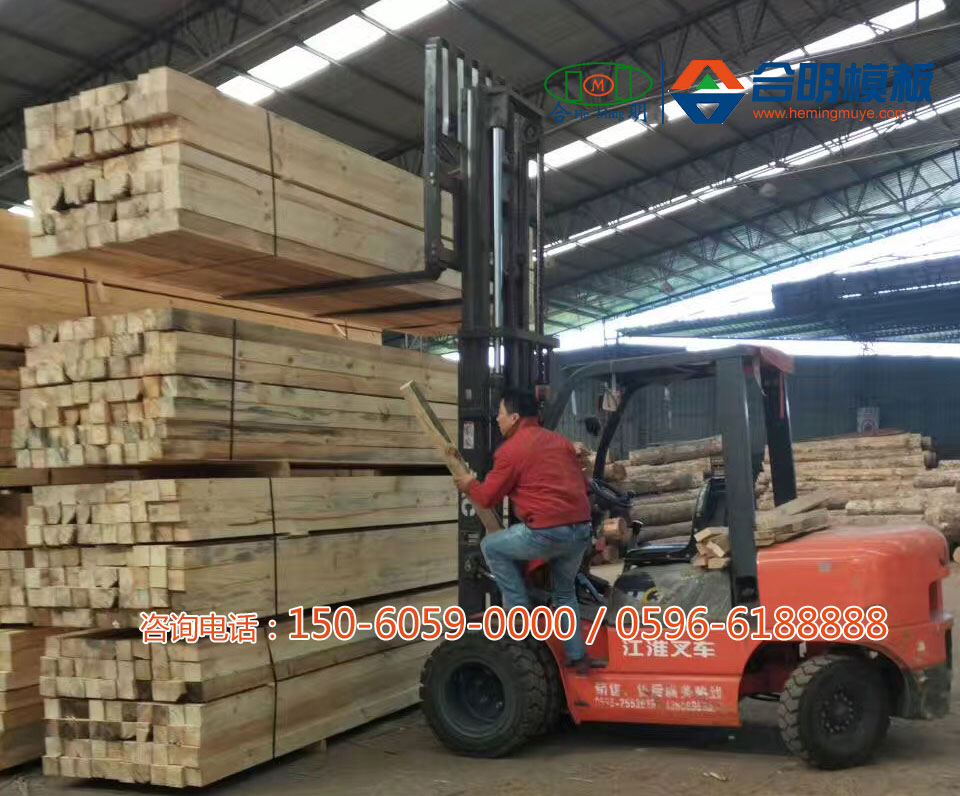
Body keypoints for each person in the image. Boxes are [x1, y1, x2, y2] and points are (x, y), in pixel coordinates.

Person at [452, 388, 594, 673]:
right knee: (564, 593)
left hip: (547, 532)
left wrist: (469, 484)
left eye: (500, 413)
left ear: (515, 417)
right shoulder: (560, 442)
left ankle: (518, 617)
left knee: (491, 546)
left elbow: (487, 498)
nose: (497, 419)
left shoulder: (511, 450)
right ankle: (578, 658)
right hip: (581, 530)